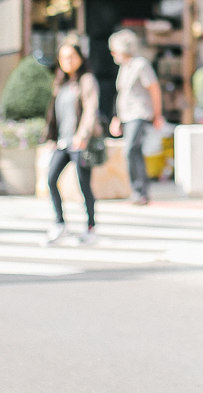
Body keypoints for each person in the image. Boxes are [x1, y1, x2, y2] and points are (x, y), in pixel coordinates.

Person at [44, 40, 100, 244]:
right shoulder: (61, 82)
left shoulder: (86, 80)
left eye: (71, 57)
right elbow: (54, 114)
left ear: (80, 58)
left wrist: (82, 136)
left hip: (79, 142)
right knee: (51, 179)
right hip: (62, 142)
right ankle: (60, 224)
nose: (67, 61)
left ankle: (91, 227)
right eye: (63, 57)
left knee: (84, 185)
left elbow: (90, 109)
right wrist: (51, 137)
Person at [108, 29, 161, 204]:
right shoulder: (123, 68)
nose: (112, 54)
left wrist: (157, 114)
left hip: (139, 113)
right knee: (134, 151)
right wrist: (116, 118)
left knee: (130, 149)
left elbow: (154, 89)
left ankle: (139, 191)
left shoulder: (140, 65)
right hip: (127, 115)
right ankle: (140, 191)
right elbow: (122, 94)